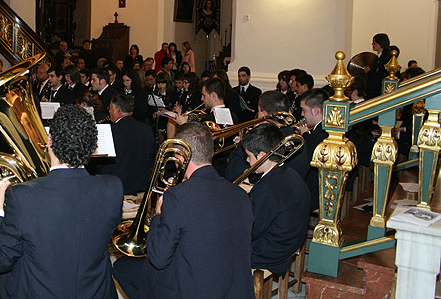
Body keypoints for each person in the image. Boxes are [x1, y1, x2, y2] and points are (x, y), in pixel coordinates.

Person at [0, 105, 123, 298]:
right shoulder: (113, 188)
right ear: (92, 147)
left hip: (42, 293)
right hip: (96, 291)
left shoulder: (22, 195)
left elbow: (1, 261)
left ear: (49, 140)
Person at [113, 122, 255, 299]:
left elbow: (158, 258)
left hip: (193, 289)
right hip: (235, 288)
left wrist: (158, 215)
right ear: (211, 153)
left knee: (122, 267)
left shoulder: (176, 197)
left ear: (180, 156)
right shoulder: (240, 194)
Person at [239, 124, 311, 276]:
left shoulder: (266, 189)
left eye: (249, 156)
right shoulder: (290, 174)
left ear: (262, 155)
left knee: (214, 246)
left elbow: (249, 231)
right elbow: (276, 201)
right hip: (289, 242)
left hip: (269, 255)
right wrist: (252, 190)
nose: (246, 160)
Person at [95, 94, 154, 194]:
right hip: (141, 187)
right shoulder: (146, 129)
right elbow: (151, 159)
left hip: (115, 187)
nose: (109, 111)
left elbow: (100, 163)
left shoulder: (110, 132)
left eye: (110, 108)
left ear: (117, 110)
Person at [297, 88, 329, 210]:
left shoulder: (318, 134)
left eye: (304, 110)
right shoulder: (320, 129)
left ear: (315, 111)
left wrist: (305, 135)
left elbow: (307, 158)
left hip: (314, 189)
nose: (302, 114)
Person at [366, 33, 392, 99]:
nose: (372, 45)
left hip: (379, 91)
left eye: (374, 43)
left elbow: (380, 75)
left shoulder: (387, 58)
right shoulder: (378, 57)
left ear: (381, 43)